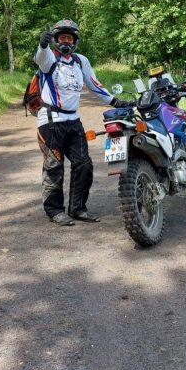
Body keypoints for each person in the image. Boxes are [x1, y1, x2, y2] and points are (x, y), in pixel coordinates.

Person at [35, 19, 124, 226]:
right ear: (56, 40)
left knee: (84, 164)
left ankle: (78, 208)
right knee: (54, 167)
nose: (65, 41)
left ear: (75, 41)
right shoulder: (49, 57)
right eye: (61, 38)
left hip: (73, 121)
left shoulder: (80, 61)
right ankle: (55, 211)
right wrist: (42, 44)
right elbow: (40, 57)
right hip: (50, 122)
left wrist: (115, 101)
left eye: (69, 38)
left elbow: (94, 85)